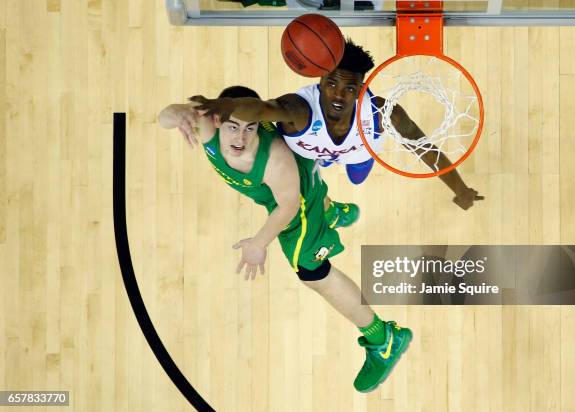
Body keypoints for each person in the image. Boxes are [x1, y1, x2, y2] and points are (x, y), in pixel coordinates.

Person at [158, 85, 412, 393]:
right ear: (214, 120)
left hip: (295, 195)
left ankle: (383, 339)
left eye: (249, 128)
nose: (240, 138)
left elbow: (288, 207)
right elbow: (164, 117)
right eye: (233, 127)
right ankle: (331, 213)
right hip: (283, 188)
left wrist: (257, 244)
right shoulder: (205, 124)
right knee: (291, 202)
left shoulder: (274, 159)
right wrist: (177, 113)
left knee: (310, 270)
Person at [189, 39, 484, 210]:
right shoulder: (299, 110)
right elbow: (261, 109)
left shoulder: (383, 113)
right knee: (310, 184)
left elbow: (425, 149)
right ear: (320, 81)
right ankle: (331, 197)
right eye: (331, 84)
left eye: (349, 87)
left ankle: (338, 163)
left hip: (357, 153)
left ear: (361, 86)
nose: (339, 95)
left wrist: (461, 188)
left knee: (357, 177)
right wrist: (226, 106)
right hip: (311, 155)